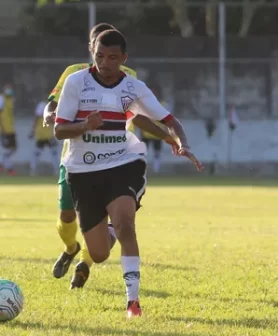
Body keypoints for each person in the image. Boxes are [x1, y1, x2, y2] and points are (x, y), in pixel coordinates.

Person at [54, 29, 203, 318]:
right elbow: (59, 130)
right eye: (99, 56)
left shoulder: (133, 87)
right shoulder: (76, 82)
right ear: (92, 54)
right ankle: (106, 232)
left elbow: (167, 119)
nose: (104, 63)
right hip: (82, 171)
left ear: (124, 58)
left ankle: (132, 302)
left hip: (123, 164)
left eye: (112, 57)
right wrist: (84, 126)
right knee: (98, 253)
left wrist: (181, 142)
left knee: (126, 224)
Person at [140, 84, 166, 173]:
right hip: (146, 132)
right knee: (142, 153)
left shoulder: (162, 104)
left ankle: (156, 170)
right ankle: (141, 170)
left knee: (157, 153)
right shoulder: (144, 104)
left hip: (157, 133)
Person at [29, 99, 58, 175]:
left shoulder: (52, 107)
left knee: (53, 152)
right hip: (43, 134)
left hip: (47, 134)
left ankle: (56, 170)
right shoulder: (43, 105)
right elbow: (37, 118)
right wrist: (33, 131)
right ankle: (33, 169)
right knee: (38, 153)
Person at [0, 82, 16, 175]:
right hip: (4, 128)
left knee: (12, 148)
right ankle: (9, 169)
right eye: (7, 88)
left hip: (10, 128)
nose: (9, 90)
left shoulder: (11, 99)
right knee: (8, 148)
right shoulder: (0, 98)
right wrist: (1, 127)